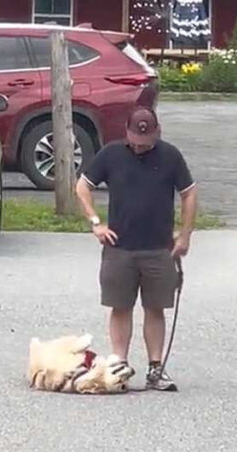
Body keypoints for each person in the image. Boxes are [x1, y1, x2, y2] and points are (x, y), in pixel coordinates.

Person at [74, 106, 199, 391]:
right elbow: (82, 186)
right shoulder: (111, 154)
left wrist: (185, 234)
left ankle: (156, 369)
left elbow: (189, 192)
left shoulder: (170, 156)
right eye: (135, 139)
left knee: (155, 308)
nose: (140, 145)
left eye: (147, 140)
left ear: (157, 131)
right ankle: (119, 364)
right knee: (121, 306)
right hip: (120, 247)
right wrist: (95, 222)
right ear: (126, 131)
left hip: (159, 248)